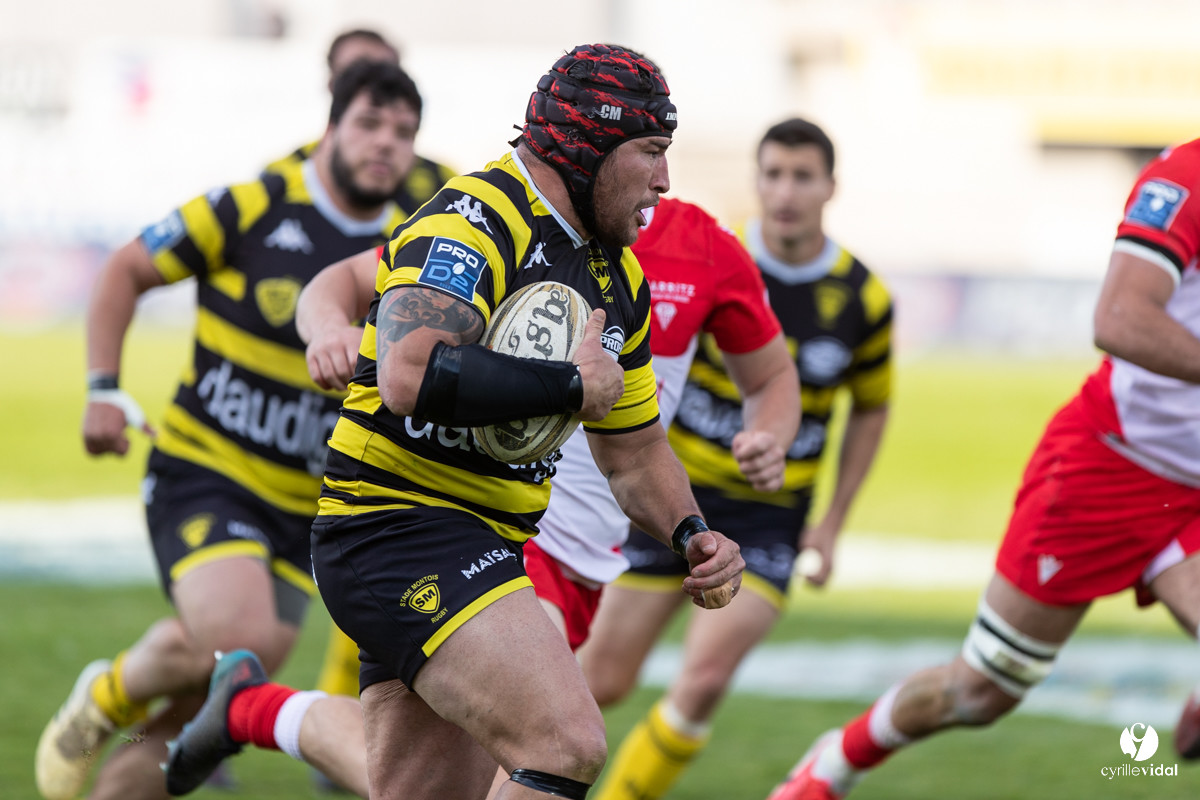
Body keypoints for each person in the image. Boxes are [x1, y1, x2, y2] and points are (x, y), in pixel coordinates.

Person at [167, 43, 745, 800]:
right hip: (397, 528)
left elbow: (634, 454)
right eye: (650, 152)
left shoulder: (616, 276)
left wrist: (690, 533)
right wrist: (569, 384)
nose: (663, 180)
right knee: (564, 741)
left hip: (480, 538)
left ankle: (248, 711)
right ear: (589, 146)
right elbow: (411, 375)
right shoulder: (475, 217)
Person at [34, 60, 423, 800]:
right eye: (369, 124)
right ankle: (107, 693)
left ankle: (123, 763)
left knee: (207, 702)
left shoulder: (414, 244)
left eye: (403, 133)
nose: (386, 145)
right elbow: (126, 269)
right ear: (330, 128)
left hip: (307, 510)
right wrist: (104, 388)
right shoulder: (254, 205)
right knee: (235, 646)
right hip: (208, 472)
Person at [767, 136, 1200, 800]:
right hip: (1112, 470)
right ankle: (835, 764)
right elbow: (1119, 315)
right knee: (979, 690)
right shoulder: (1185, 176)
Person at [577, 117, 893, 800]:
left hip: (769, 518)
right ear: (756, 180)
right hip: (673, 502)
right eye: (773, 173)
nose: (785, 192)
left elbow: (872, 407)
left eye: (802, 176)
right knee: (599, 678)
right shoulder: (717, 258)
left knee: (705, 679)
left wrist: (832, 518)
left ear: (829, 187)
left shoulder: (862, 297)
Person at [265, 28, 456, 227]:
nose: (385, 142)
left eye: (385, 70)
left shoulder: (443, 183)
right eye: (354, 69)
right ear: (331, 83)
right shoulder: (276, 179)